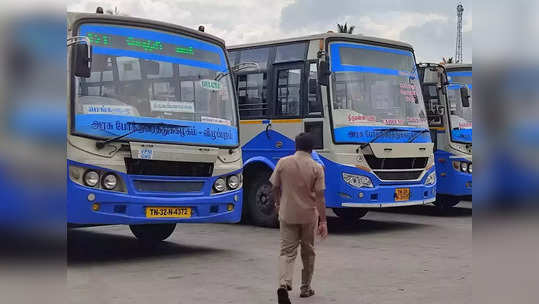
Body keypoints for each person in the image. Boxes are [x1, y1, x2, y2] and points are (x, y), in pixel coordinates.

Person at [270, 132, 328, 304]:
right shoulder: (317, 167)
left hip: (287, 214)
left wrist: (278, 204)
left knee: (287, 252)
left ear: (295, 145)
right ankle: (305, 288)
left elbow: (274, 186)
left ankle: (283, 283)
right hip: (308, 216)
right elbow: (320, 197)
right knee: (308, 252)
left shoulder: (283, 162)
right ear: (312, 148)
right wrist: (323, 221)